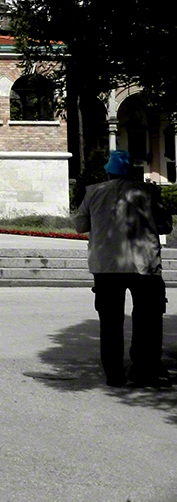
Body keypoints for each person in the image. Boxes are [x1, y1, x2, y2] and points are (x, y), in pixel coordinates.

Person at [74, 149, 173, 388]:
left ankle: (114, 375)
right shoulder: (149, 192)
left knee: (110, 322)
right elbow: (165, 226)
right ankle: (144, 371)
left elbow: (80, 226)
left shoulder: (93, 192)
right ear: (133, 172)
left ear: (108, 173)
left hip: (106, 266)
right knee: (147, 321)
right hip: (144, 266)